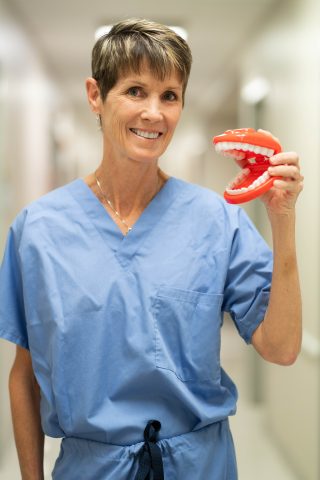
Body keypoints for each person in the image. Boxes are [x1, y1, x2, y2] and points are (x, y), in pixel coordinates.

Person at [0, 18, 303, 480]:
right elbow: (24, 375)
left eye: (170, 96)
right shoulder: (38, 231)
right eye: (135, 91)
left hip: (200, 466)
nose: (154, 113)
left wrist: (283, 221)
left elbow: (281, 348)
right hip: (90, 469)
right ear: (96, 96)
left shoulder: (216, 222)